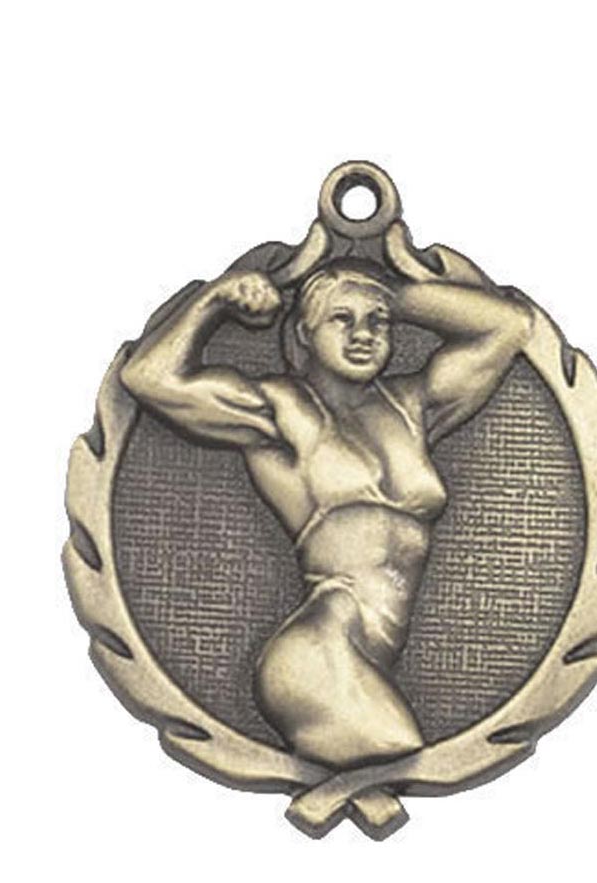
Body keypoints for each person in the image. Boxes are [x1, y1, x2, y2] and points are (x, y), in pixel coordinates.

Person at [121, 257, 533, 767]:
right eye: (342, 318)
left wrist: (388, 293)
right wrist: (216, 299)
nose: (363, 335)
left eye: (377, 323)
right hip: (318, 655)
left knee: (395, 754)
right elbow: (147, 377)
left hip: (371, 655)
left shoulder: (412, 407)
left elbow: (509, 325)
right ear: (304, 332)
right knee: (396, 749)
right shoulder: (282, 410)